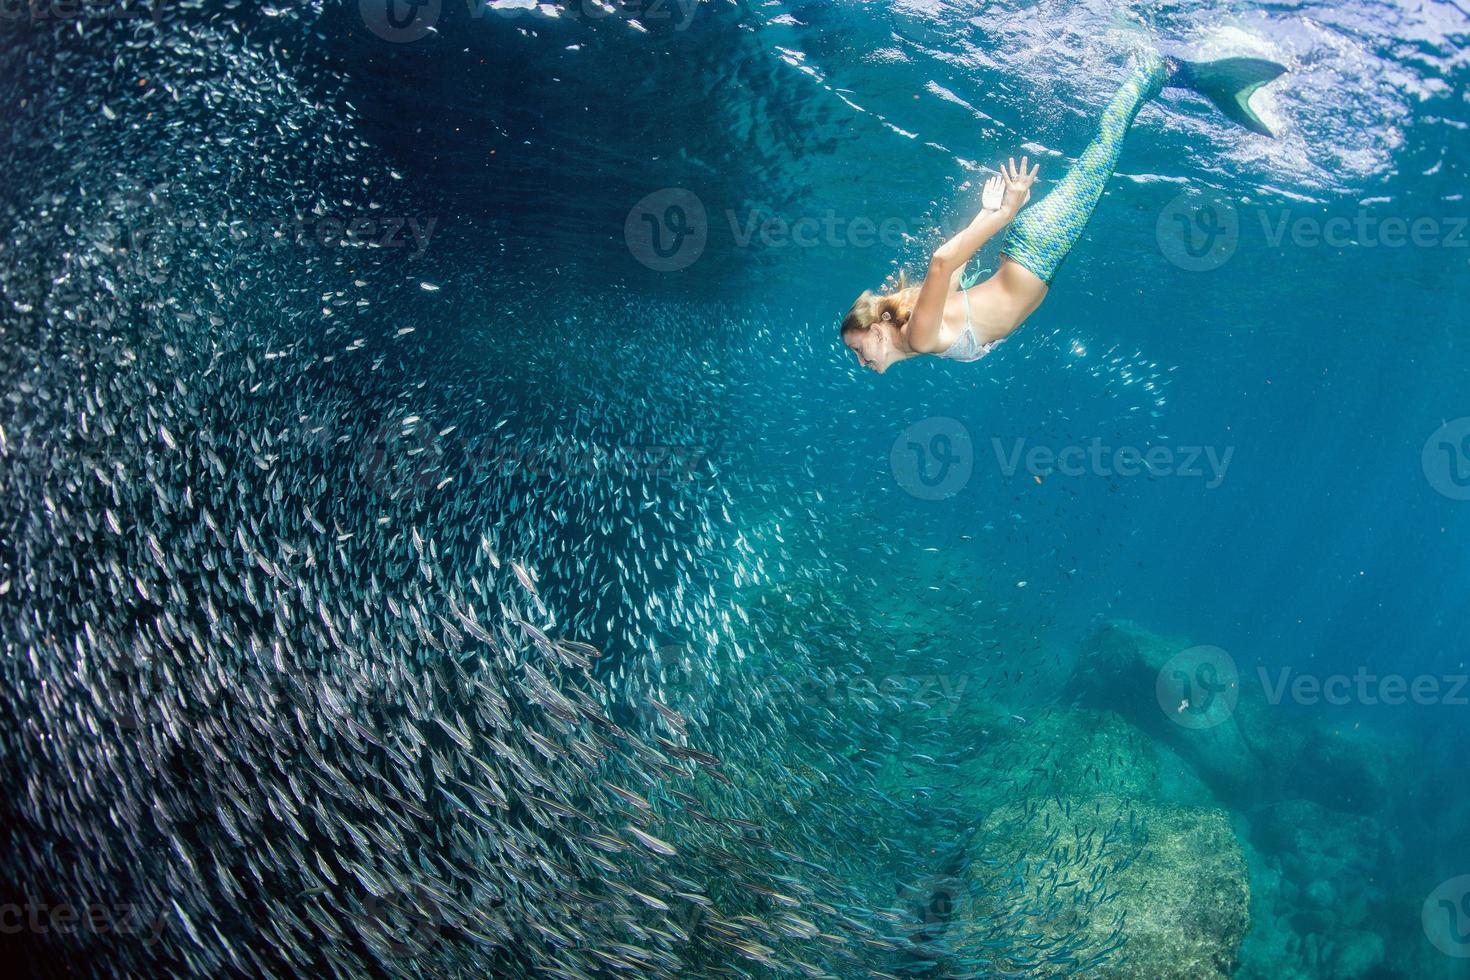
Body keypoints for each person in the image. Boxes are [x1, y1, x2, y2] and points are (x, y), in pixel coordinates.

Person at [842, 50, 1286, 373]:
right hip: (1033, 251)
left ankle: (1155, 68)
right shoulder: (921, 326)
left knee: (1103, 150)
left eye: (860, 350)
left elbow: (942, 261)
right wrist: (990, 212)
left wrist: (1000, 214)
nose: (862, 362)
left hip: (1037, 248)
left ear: (880, 328)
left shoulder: (918, 335)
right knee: (1102, 153)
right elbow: (953, 278)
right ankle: (1176, 75)